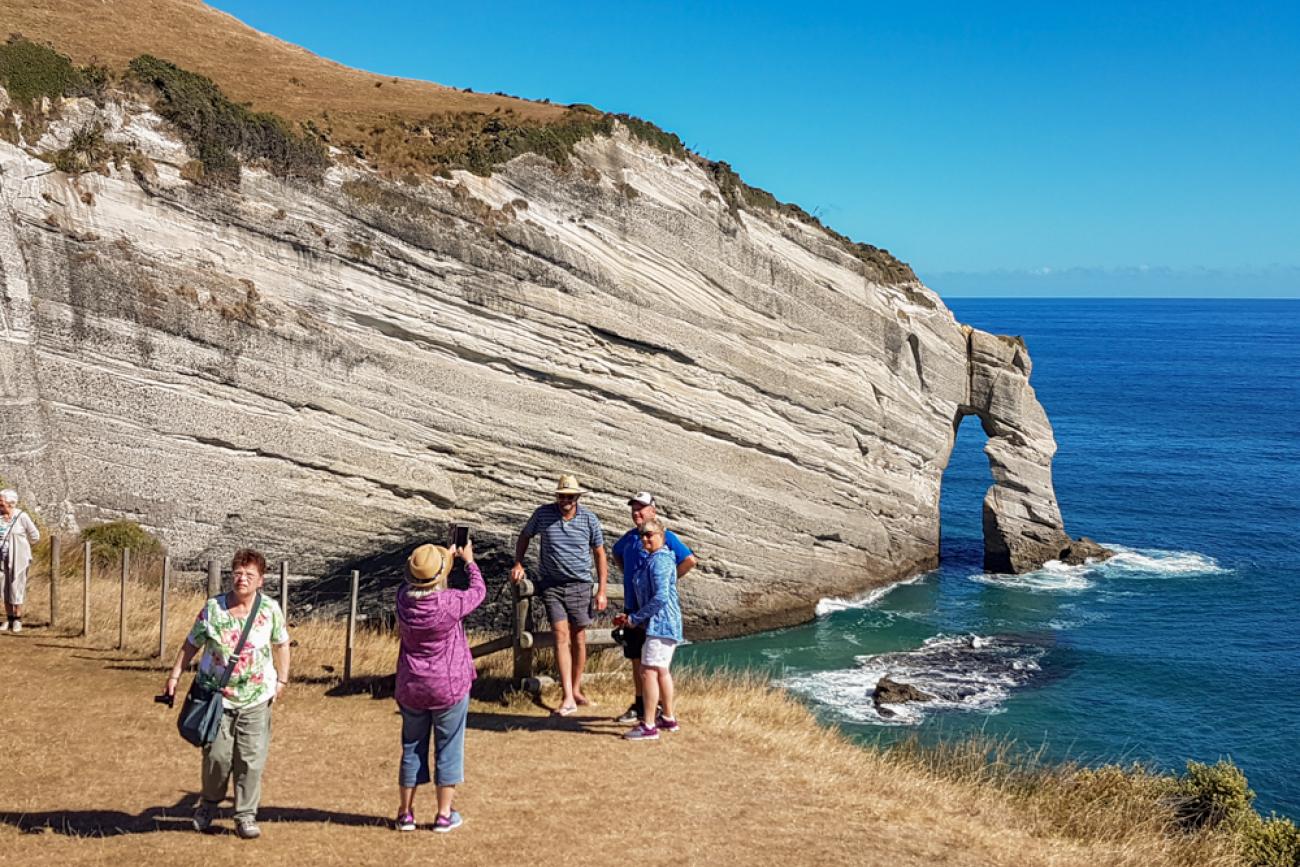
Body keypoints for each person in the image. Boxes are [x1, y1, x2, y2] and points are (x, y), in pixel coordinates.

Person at [164, 549, 290, 840]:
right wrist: (174, 676)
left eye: (249, 574)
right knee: (217, 757)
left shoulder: (270, 609)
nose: (241, 579)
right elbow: (191, 643)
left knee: (250, 758)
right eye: (237, 572)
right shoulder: (213, 609)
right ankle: (209, 804)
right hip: (216, 697)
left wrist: (281, 679)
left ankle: (245, 815)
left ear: (261, 580)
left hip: (256, 697)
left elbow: (282, 643)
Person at [394, 539, 485, 833]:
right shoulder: (448, 604)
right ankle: (444, 814)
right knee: (448, 746)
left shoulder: (402, 600)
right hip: (448, 684)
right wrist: (468, 561)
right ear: (440, 576)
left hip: (411, 683)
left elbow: (421, 579)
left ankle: (405, 813)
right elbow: (478, 591)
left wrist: (442, 558)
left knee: (411, 747)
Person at [509, 474, 608, 715]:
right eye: (562, 495)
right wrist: (518, 563)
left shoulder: (589, 519)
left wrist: (602, 590)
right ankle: (567, 696)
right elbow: (525, 535)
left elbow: (600, 554)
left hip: (580, 585)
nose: (565, 499)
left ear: (576, 498)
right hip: (552, 585)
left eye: (570, 496)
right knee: (561, 636)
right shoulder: (543, 514)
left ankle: (575, 690)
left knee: (580, 638)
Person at [611, 492, 696, 725]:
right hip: (634, 607)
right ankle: (642, 705)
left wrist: (668, 581)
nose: (637, 512)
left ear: (653, 511)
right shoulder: (630, 537)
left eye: (642, 508)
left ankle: (655, 711)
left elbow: (689, 560)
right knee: (638, 658)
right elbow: (616, 553)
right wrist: (630, 577)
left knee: (653, 666)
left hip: (652, 613)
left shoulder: (663, 537)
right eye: (634, 509)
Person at [613, 518, 682, 740]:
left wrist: (636, 618)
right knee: (660, 670)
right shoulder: (656, 559)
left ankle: (649, 725)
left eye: (650, 534)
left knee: (647, 671)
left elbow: (660, 597)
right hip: (663, 624)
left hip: (660, 624)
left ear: (661, 535)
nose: (645, 538)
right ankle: (668, 718)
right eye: (642, 534)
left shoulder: (659, 561)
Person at [0, 489, 41, 634]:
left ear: (11, 503)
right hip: (1, 558)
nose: (0, 504)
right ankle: (9, 618)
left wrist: (23, 547)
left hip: (18, 558)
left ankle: (17, 619)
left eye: (2, 501)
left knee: (16, 587)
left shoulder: (22, 517)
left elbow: (35, 536)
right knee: (4, 588)